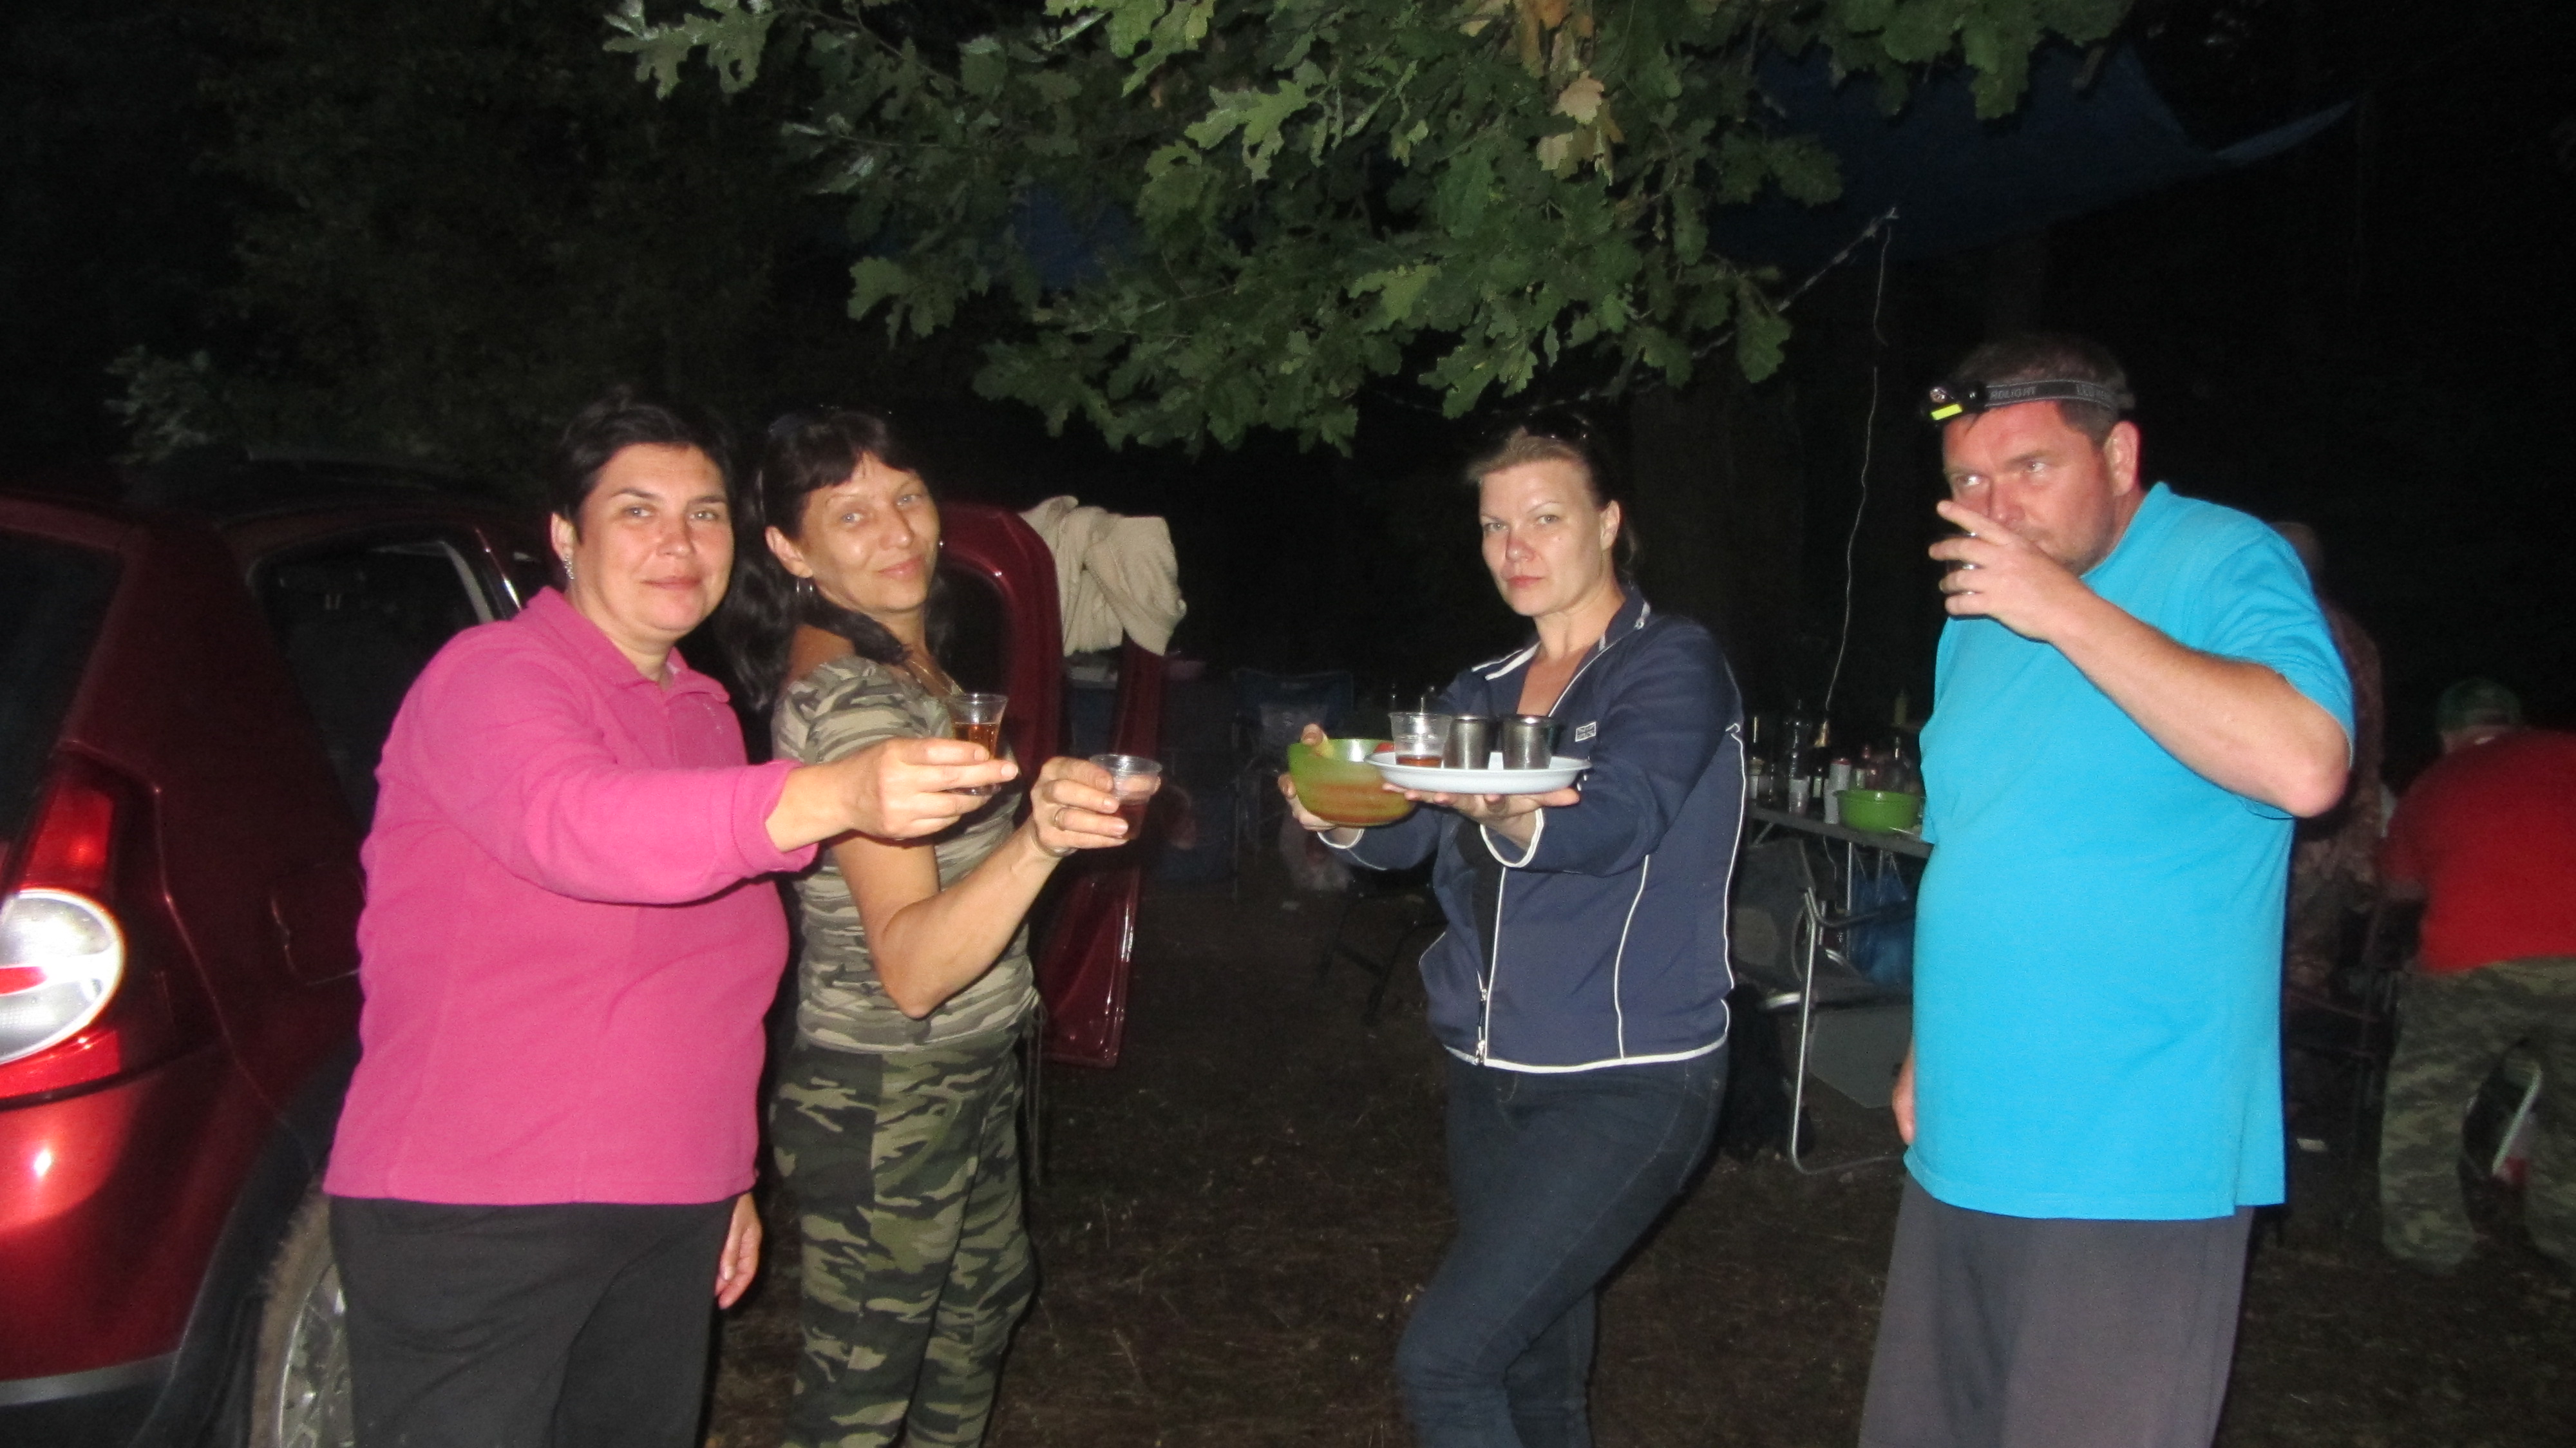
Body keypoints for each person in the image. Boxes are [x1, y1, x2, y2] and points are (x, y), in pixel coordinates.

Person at [323, 388, 1054, 1448]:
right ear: (565, 535)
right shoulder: (492, 675)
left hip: (665, 1202)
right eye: (638, 511)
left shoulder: (703, 715)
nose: (678, 542)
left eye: (704, 513)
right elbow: (575, 824)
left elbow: (715, 985)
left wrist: (728, 1176)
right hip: (481, 1209)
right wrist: (839, 792)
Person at [1862, 336, 2353, 1448]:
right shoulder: (1976, 620)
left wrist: (2064, 611)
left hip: (2135, 1151)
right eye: (1968, 481)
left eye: (2031, 468)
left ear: (2120, 456)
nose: (1995, 508)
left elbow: (2307, 763)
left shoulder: (2219, 558)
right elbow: (1981, 838)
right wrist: (1930, 1041)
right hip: (1967, 1133)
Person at [1280, 417, 1743, 1447]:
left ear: (1609, 522)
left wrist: (1517, 815)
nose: (1515, 549)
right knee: (1538, 1374)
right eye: (1495, 527)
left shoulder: (1669, 662)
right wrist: (1340, 808)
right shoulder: (1481, 690)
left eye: (1544, 519)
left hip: (1628, 1075)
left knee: (1447, 1362)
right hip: (1491, 1075)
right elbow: (1409, 839)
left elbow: (1622, 817)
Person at [725, 408, 1138, 1448]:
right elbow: (911, 966)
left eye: (906, 496)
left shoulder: (914, 674)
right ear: (790, 549)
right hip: (886, 1092)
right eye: (850, 513)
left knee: (984, 1298)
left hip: (957, 1070)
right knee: (861, 1387)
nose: (897, 530)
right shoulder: (856, 704)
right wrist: (1039, 838)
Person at [2376, 678, 2576, 1274]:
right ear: (2517, 723)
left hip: (2474, 958)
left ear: (2448, 735)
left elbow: (2399, 887)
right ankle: (2565, 1233)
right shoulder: (2566, 751)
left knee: (2426, 1099)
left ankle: (2428, 1241)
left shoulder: (2436, 782)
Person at [2272, 519, 2387, 996]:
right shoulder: (2356, 639)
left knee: (2258, 970)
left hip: (2285, 830)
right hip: (2336, 836)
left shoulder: (2279, 623)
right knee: (2304, 975)